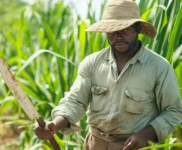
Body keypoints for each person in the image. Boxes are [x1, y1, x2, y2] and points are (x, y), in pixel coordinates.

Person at [34, 0, 182, 149]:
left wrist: (146, 135)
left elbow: (174, 111)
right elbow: (76, 102)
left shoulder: (159, 67)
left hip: (135, 146)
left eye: (125, 29)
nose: (118, 35)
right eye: (112, 30)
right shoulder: (92, 63)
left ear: (138, 28)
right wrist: (54, 124)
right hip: (95, 144)